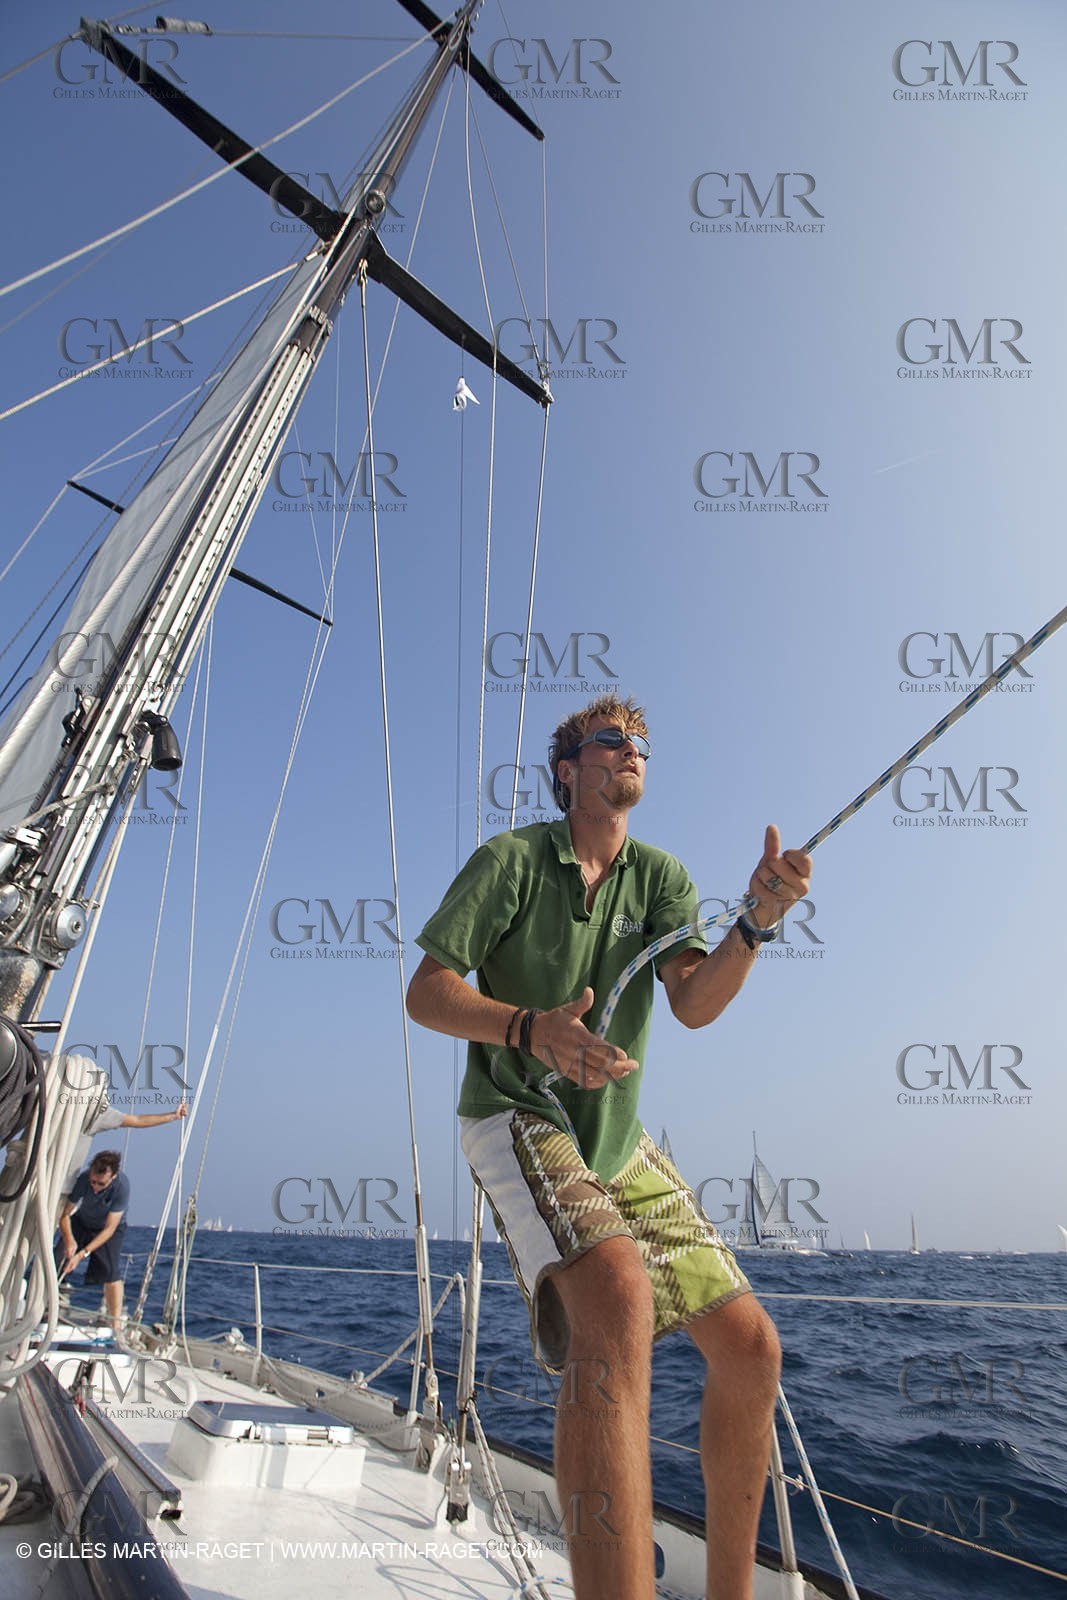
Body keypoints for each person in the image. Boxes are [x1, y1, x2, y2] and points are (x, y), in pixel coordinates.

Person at [406, 692, 813, 1600]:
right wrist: (527, 1028)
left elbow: (695, 1003)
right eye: (610, 741)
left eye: (641, 746)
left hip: (618, 1141)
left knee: (751, 1352)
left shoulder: (662, 878)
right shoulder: (510, 860)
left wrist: (754, 923)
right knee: (617, 1293)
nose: (631, 753)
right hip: (517, 1112)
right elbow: (427, 994)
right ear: (567, 770)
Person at [56, 1150, 131, 1329]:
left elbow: (109, 1229)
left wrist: (82, 1254)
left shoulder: (122, 1187)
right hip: (82, 1221)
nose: (95, 1187)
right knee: (56, 1258)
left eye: (101, 1183)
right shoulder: (83, 1180)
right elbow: (65, 1214)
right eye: (93, 1182)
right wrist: (69, 1239)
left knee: (110, 1272)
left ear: (113, 1177)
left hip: (108, 1228)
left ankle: (115, 1324)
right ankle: (54, 1301)